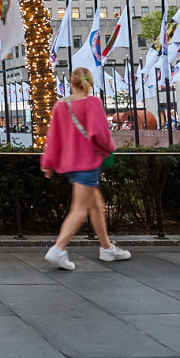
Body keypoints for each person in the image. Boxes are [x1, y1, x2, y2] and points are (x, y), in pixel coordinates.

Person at [39, 67, 130, 271]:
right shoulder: (92, 103)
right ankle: (59, 248)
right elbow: (99, 134)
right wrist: (109, 148)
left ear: (71, 83)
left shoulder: (60, 105)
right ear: (89, 83)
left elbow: (53, 138)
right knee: (79, 209)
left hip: (70, 164)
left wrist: (48, 162)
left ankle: (106, 247)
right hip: (87, 163)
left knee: (96, 204)